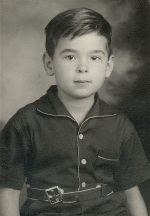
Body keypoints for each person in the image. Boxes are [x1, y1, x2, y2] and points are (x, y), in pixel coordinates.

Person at [0, 7, 150, 216]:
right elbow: (7, 194)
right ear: (49, 63)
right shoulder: (24, 123)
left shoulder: (120, 125)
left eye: (94, 58)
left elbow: (132, 194)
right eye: (70, 57)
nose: (82, 67)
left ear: (108, 65)